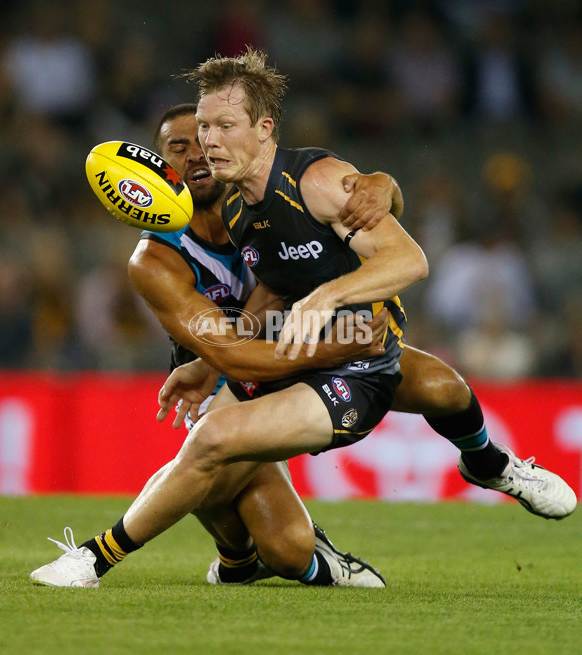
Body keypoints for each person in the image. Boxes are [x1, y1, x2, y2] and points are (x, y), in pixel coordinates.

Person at [31, 49, 576, 590]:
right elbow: (273, 291)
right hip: (280, 353)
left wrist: (360, 231)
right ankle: (246, 559)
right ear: (157, 167)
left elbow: (408, 258)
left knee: (442, 387)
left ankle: (94, 560)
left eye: (221, 127)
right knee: (255, 508)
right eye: (196, 133)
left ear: (264, 129)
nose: (207, 145)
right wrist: (207, 365)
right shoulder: (198, 234)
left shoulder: (311, 180)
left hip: (350, 355)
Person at [30, 102, 399, 588]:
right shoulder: (157, 257)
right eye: (176, 148)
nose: (194, 155)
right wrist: (325, 352)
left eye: (202, 142)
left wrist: (384, 185)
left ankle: (491, 459)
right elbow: (230, 354)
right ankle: (238, 559)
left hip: (296, 364)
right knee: (285, 546)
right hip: (229, 377)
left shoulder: (264, 204)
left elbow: (355, 217)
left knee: (432, 383)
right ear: (156, 166)